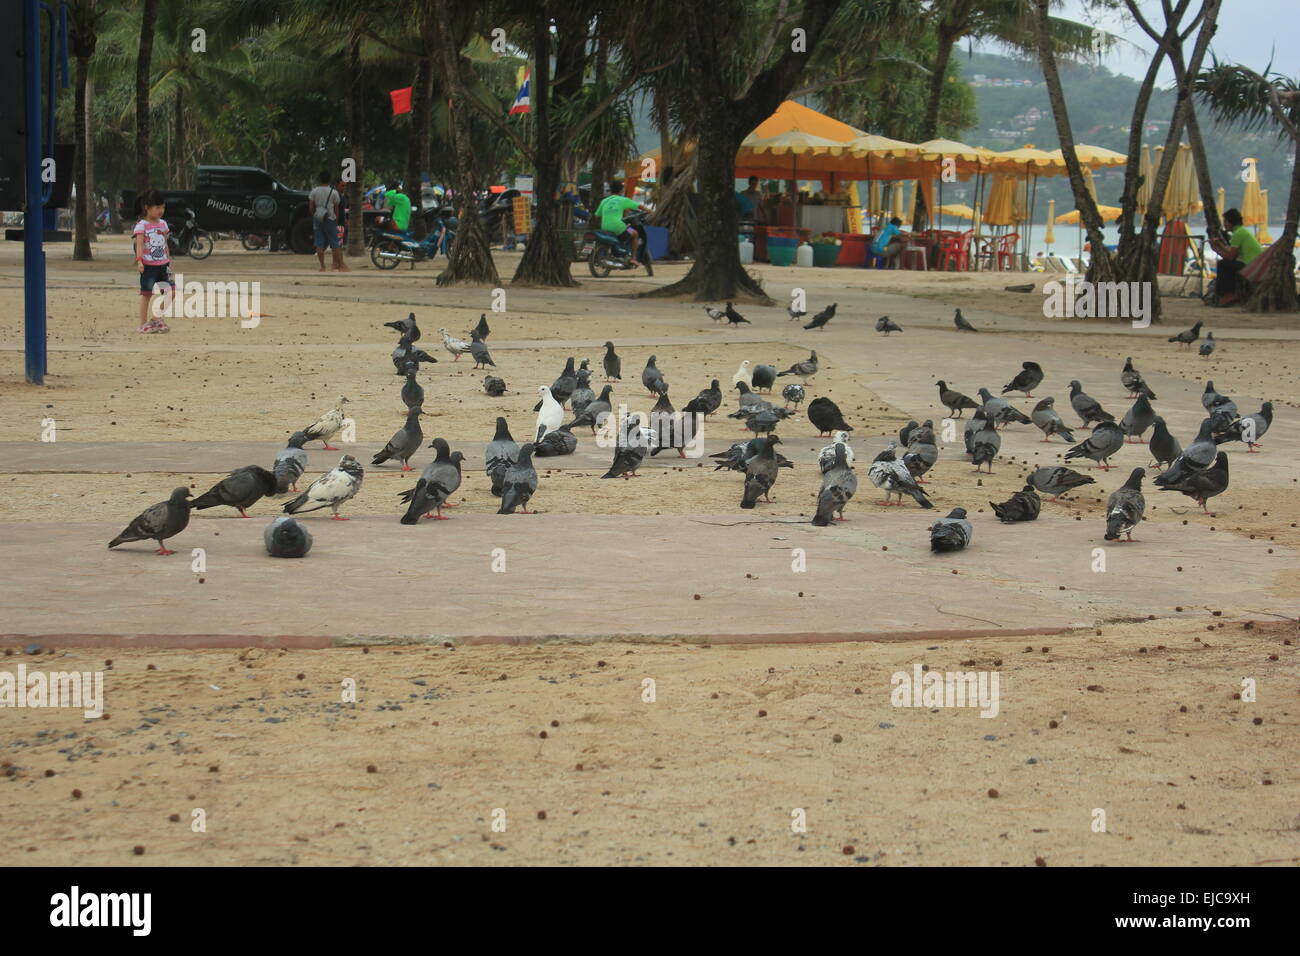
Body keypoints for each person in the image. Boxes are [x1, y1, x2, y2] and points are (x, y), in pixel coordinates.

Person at [132, 190, 172, 333]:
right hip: (148, 266)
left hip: (163, 265)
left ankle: (156, 318)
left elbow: (165, 243)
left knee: (171, 292)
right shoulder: (141, 225)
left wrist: (169, 259)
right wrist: (139, 261)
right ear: (147, 208)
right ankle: (143, 324)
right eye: (157, 207)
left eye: (163, 207)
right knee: (147, 294)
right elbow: (139, 245)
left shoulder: (163, 224)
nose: (161, 210)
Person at [1209, 207, 1262, 306]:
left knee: (1223, 264)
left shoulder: (1238, 234)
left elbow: (1230, 257)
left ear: (1230, 222)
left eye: (1225, 221)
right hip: (1253, 264)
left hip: (1250, 265)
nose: (1224, 224)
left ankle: (1229, 294)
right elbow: (1231, 253)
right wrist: (1218, 247)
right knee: (1226, 264)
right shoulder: (1241, 231)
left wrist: (1217, 249)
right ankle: (1227, 294)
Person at [594, 180, 649, 266]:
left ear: (611, 190)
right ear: (621, 190)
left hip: (605, 227)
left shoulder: (604, 201)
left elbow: (597, 215)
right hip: (618, 227)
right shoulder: (623, 200)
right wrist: (650, 211)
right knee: (634, 233)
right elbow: (640, 206)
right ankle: (633, 259)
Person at [309, 171, 347, 272]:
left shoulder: (314, 191)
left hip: (318, 219)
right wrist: (336, 220)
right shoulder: (333, 192)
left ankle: (322, 266)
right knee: (335, 243)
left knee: (319, 243)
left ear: (319, 179)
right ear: (329, 179)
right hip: (330, 219)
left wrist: (316, 215)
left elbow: (311, 207)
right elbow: (336, 208)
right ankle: (341, 266)